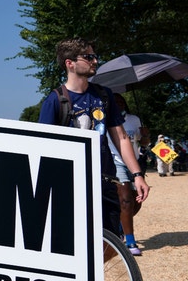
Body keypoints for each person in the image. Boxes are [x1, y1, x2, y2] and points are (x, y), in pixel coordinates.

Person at [38, 38, 150, 240]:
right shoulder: (55, 100)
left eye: (95, 56)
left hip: (104, 181)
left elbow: (121, 138)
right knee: (72, 241)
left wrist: (137, 174)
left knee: (112, 242)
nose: (95, 61)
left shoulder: (104, 96)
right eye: (88, 57)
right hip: (70, 184)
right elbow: (43, 148)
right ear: (69, 63)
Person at [108, 93, 149, 255]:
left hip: (135, 164)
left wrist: (145, 135)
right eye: (115, 102)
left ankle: (120, 225)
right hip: (116, 161)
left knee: (136, 202)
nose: (119, 104)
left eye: (121, 101)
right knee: (125, 200)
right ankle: (130, 242)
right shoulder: (107, 118)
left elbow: (143, 142)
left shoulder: (134, 120)